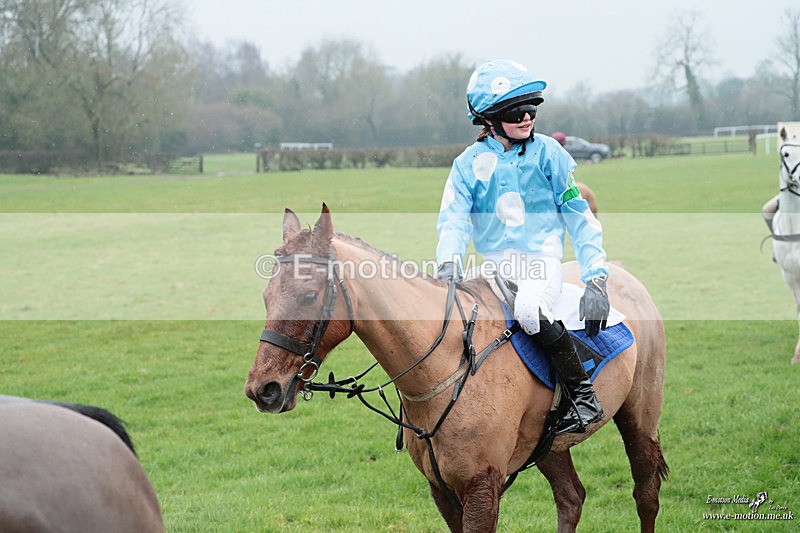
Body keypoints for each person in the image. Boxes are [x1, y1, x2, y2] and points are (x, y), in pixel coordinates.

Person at [435, 59, 609, 435]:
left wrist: (596, 279)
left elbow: (580, 218)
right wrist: (448, 264)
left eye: (532, 108)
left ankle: (584, 397)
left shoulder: (550, 154)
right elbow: (454, 221)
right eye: (517, 112)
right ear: (489, 120)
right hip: (492, 267)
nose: (528, 117)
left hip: (540, 264)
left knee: (529, 310)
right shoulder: (465, 165)